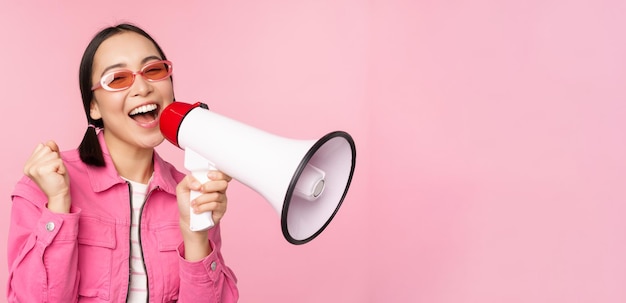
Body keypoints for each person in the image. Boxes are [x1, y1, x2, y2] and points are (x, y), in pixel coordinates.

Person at [6, 23, 239, 302]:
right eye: (117, 78)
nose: (142, 87)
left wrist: (196, 236)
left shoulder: (192, 193)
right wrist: (58, 205)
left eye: (154, 71)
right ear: (93, 106)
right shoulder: (46, 184)